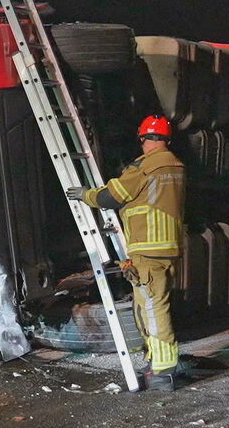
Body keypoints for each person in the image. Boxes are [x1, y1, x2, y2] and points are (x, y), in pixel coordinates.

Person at [67, 115, 187, 390]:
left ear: (144, 139)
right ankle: (156, 361)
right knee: (149, 305)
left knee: (154, 309)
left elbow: (112, 196)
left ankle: (162, 370)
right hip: (168, 246)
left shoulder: (145, 167)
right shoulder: (176, 165)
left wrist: (86, 195)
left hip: (147, 247)